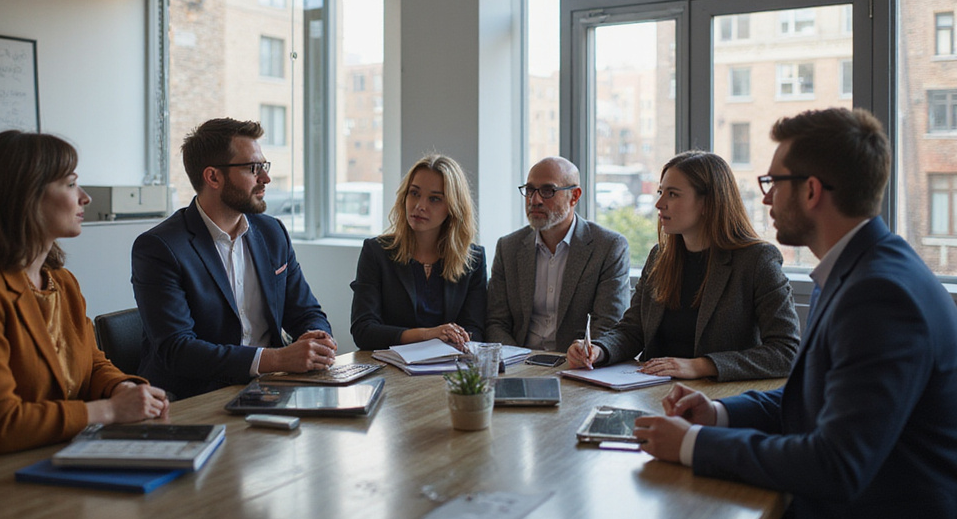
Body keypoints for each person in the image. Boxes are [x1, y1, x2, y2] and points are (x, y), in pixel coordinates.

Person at [633, 108, 957, 519]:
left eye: (774, 181)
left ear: (811, 191)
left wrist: (692, 445)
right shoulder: (854, 269)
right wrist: (719, 415)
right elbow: (813, 397)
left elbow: (834, 464)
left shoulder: (881, 296)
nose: (764, 196)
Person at [0, 131, 169, 469]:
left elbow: (93, 364)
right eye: (71, 184)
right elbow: (0, 425)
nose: (84, 197)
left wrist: (124, 389)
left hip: (55, 459)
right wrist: (111, 410)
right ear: (25, 195)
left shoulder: (61, 282)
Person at [132, 118, 335, 399]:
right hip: (195, 397)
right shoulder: (160, 247)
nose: (265, 178)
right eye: (253, 168)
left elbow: (306, 312)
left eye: (264, 167)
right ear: (213, 177)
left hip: (272, 390)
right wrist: (278, 359)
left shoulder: (272, 232)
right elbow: (178, 350)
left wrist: (317, 340)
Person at [566, 151, 799, 380]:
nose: (659, 203)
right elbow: (632, 330)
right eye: (660, 192)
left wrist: (702, 366)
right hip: (654, 392)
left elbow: (786, 352)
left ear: (708, 203)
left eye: (673, 194)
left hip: (720, 399)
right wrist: (598, 350)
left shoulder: (758, 260)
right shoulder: (659, 257)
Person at [486, 156, 630, 352]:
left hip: (576, 365)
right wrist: (516, 361)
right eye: (529, 190)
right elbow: (496, 322)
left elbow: (609, 324)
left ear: (575, 196)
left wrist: (584, 355)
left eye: (547, 191)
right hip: (519, 361)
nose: (534, 200)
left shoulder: (608, 247)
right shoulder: (508, 247)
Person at [350, 154, 487, 350]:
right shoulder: (376, 252)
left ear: (453, 207)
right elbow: (363, 331)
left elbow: (475, 331)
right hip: (391, 370)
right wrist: (429, 334)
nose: (420, 206)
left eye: (434, 199)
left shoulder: (473, 259)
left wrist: (453, 340)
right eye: (414, 193)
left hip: (449, 367)